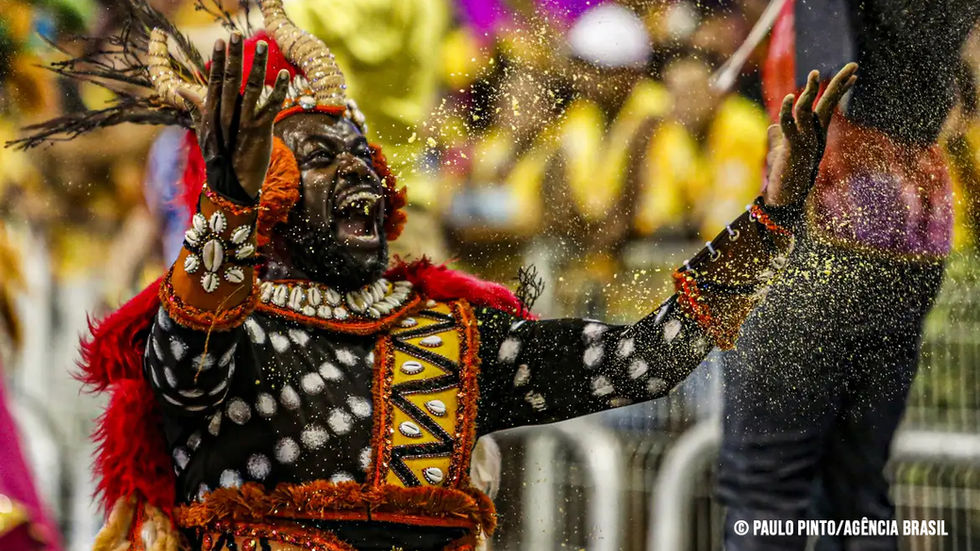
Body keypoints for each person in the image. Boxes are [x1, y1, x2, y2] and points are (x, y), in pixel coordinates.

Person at [11, 0, 855, 548]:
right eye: (317, 156)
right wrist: (224, 206)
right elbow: (181, 366)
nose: (356, 170)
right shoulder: (231, 332)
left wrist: (774, 216)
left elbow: (647, 356)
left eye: (361, 155)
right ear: (265, 188)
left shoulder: (451, 331)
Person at [718, 2, 980, 550]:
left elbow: (827, 83)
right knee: (855, 495)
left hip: (828, 215)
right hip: (915, 224)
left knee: (767, 491)